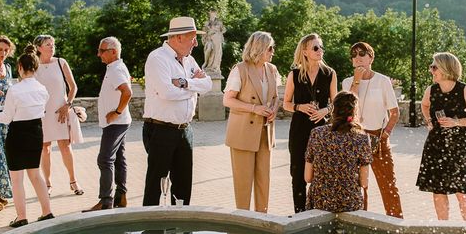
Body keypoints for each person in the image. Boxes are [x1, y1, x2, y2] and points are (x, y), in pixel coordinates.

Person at [142, 16, 212, 206]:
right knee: (156, 184)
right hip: (161, 129)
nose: (196, 43)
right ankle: (151, 231)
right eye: (192, 37)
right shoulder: (157, 58)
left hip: (185, 130)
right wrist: (192, 88)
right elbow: (166, 92)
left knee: (183, 184)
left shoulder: (189, 60)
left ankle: (179, 229)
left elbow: (207, 84)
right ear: (178, 37)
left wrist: (184, 83)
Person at [0, 45, 54, 227]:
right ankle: (47, 212)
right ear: (35, 68)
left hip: (17, 134)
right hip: (36, 133)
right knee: (36, 175)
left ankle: (22, 217)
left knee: (17, 179)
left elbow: (5, 118)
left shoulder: (15, 90)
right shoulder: (42, 89)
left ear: (19, 67)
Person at [416, 52, 466, 221]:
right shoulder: (431, 90)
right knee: (438, 189)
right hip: (435, 143)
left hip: (457, 145)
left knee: (461, 189)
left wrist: (457, 122)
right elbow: (425, 106)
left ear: (446, 68)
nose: (431, 70)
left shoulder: (465, 90)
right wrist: (429, 121)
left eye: (434, 67)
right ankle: (443, 228)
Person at [342, 42, 403, 218]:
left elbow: (394, 112)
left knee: (388, 184)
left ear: (371, 57)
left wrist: (386, 133)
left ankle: (395, 223)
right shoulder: (347, 82)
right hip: (355, 137)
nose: (357, 57)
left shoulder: (382, 81)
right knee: (358, 185)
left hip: (378, 137)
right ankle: (360, 220)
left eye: (362, 54)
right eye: (354, 55)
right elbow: (347, 109)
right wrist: (356, 81)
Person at [223, 31, 280, 213]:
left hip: (265, 133)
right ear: (260, 48)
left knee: (264, 180)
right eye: (270, 48)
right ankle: (244, 222)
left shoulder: (272, 69)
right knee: (243, 182)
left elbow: (275, 97)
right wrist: (254, 109)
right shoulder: (239, 69)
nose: (273, 51)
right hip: (243, 134)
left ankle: (262, 220)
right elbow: (228, 100)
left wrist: (273, 110)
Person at [283, 33, 337, 213]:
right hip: (299, 130)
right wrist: (300, 107)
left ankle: (319, 212)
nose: (320, 50)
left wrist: (325, 110)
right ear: (305, 51)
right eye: (315, 48)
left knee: (322, 173)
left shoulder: (329, 73)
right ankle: (300, 214)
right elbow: (286, 104)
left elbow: (335, 103)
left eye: (321, 47)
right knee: (297, 173)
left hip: (322, 129)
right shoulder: (295, 74)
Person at [83, 37, 133, 212]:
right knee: (119, 159)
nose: (98, 54)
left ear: (113, 52)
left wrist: (116, 112)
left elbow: (127, 92)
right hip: (119, 122)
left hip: (116, 123)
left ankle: (106, 200)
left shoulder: (115, 70)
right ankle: (121, 196)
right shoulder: (115, 67)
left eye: (102, 50)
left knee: (104, 159)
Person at [33, 34, 84, 196]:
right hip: (41, 113)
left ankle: (73, 181)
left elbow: (73, 87)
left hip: (61, 111)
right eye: (48, 44)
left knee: (65, 146)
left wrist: (67, 105)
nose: (51, 46)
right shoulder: (33, 65)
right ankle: (47, 184)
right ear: (39, 48)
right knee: (45, 148)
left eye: (52, 44)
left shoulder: (61, 62)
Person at [305, 90, 371, 212]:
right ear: (354, 112)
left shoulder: (317, 133)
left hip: (320, 203)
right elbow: (364, 182)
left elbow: (308, 177)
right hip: (349, 203)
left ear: (333, 110)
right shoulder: (361, 138)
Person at [0, 36, 15, 212]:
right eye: (0, 49)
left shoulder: (8, 68)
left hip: (6, 119)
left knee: (5, 156)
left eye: (6, 50)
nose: (3, 53)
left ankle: (0, 194)